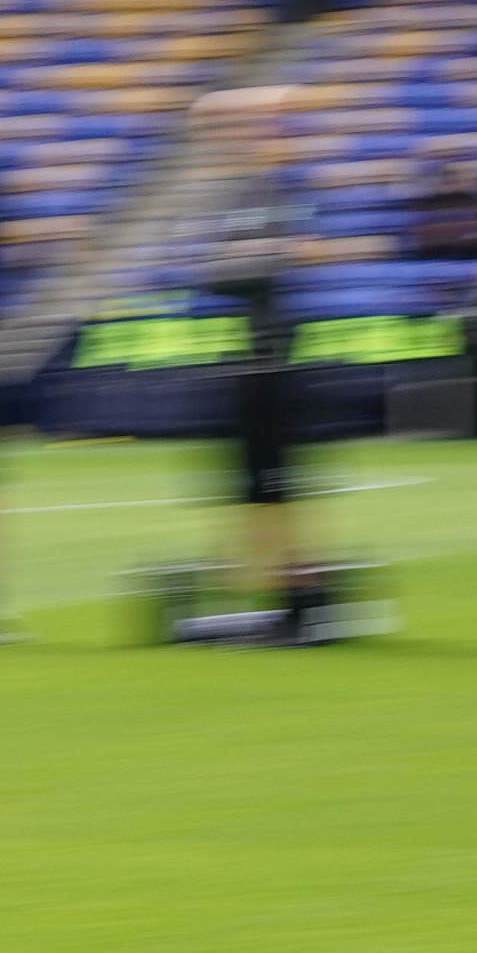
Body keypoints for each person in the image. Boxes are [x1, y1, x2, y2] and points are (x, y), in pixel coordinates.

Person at [181, 86, 330, 643]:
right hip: (247, 358)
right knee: (254, 483)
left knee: (276, 483)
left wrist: (249, 259)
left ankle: (297, 594)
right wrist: (254, 258)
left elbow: (293, 255)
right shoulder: (239, 195)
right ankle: (272, 588)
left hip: (276, 359)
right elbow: (216, 270)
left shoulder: (279, 192)